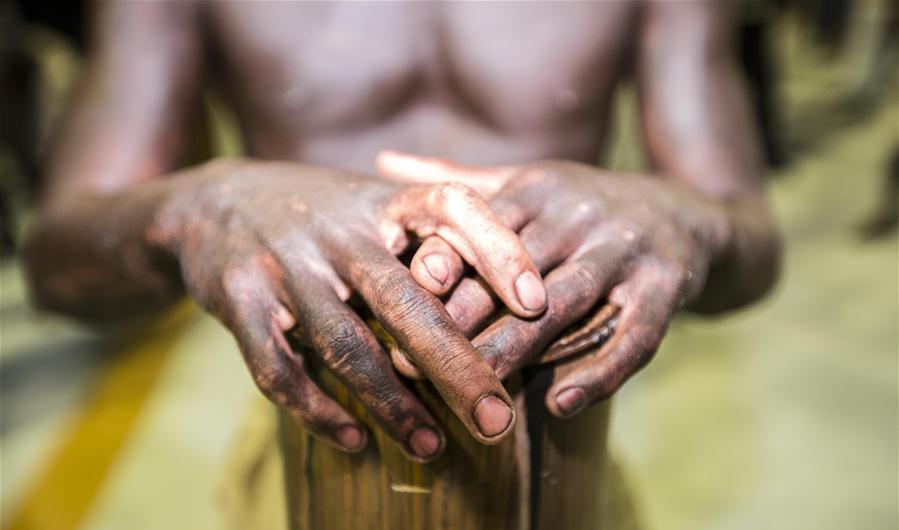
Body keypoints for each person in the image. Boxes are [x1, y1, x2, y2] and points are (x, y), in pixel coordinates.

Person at [24, 1, 781, 464]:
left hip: (563, 462)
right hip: (313, 456)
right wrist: (203, 204)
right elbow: (57, 259)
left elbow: (748, 234)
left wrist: (679, 217)